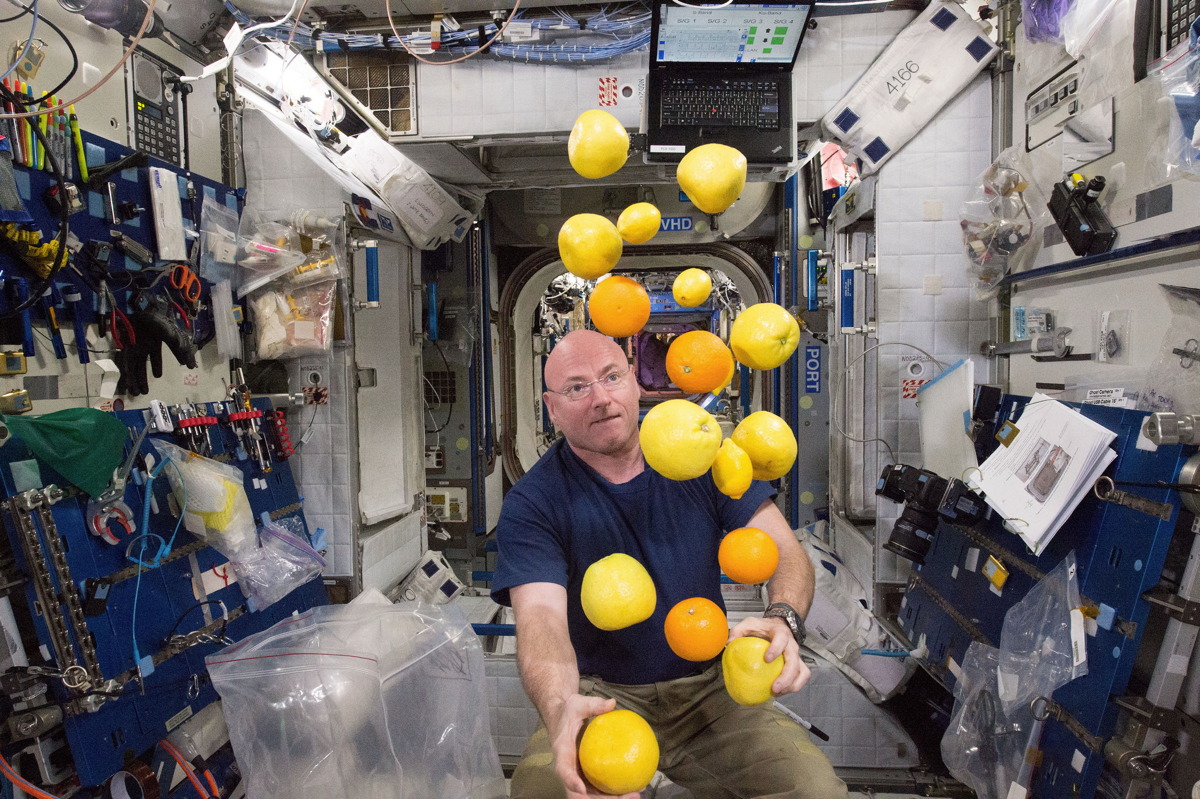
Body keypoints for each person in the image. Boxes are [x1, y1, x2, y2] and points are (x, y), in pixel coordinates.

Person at [492, 329, 847, 799]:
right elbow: (541, 620)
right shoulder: (533, 502)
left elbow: (784, 551)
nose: (601, 398)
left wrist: (783, 618)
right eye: (577, 388)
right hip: (602, 696)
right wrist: (560, 709)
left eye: (612, 376)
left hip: (710, 691)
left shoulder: (705, 458)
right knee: (542, 792)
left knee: (813, 791)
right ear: (551, 408)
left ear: (636, 384)